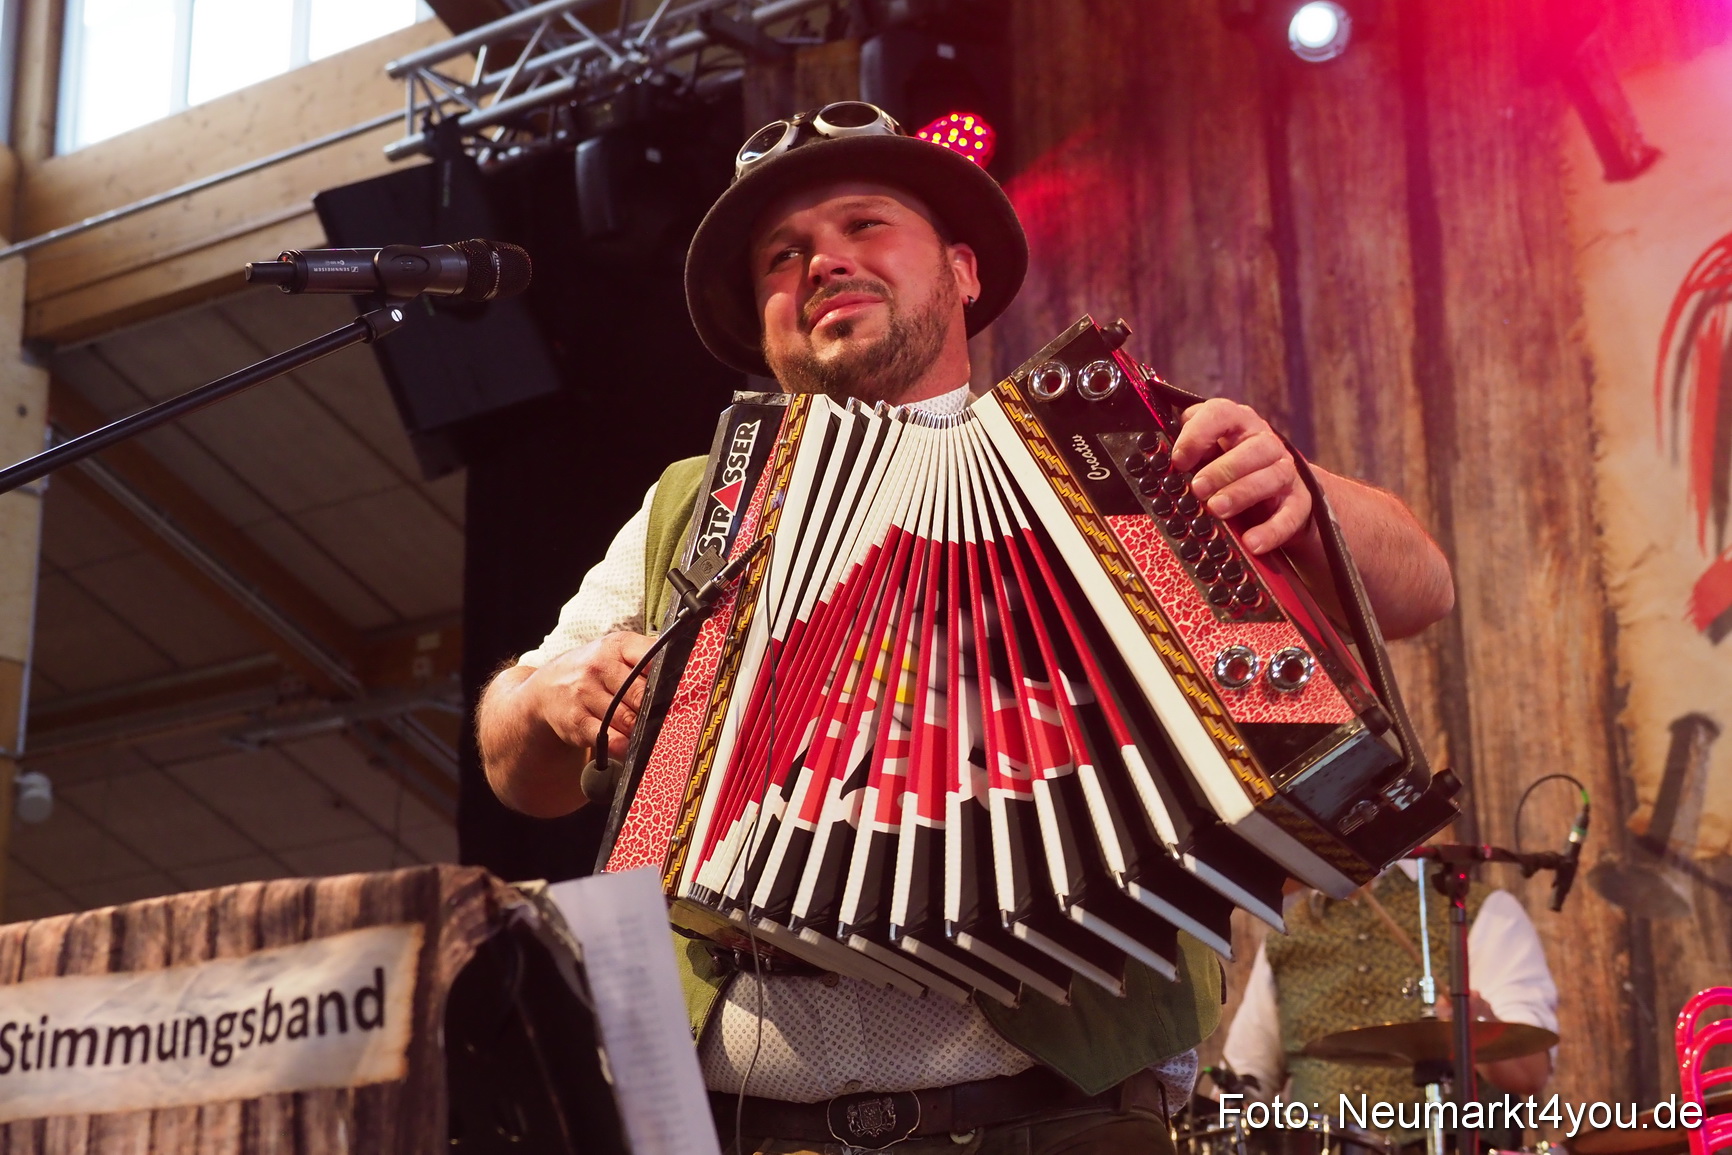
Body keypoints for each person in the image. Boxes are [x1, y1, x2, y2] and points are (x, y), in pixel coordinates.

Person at [476, 101, 1457, 1155]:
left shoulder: (1121, 460)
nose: (822, 263)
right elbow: (514, 771)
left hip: (1066, 1120)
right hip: (743, 1128)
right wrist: (547, 696)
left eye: (863, 226)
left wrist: (1305, 492)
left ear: (962, 270)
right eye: (782, 253)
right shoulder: (697, 503)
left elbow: (1419, 587)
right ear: (760, 321)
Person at [1219, 860, 1559, 1148]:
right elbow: (1245, 1080)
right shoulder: (1286, 937)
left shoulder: (1482, 911)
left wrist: (1478, 1024)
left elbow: (1529, 1074)